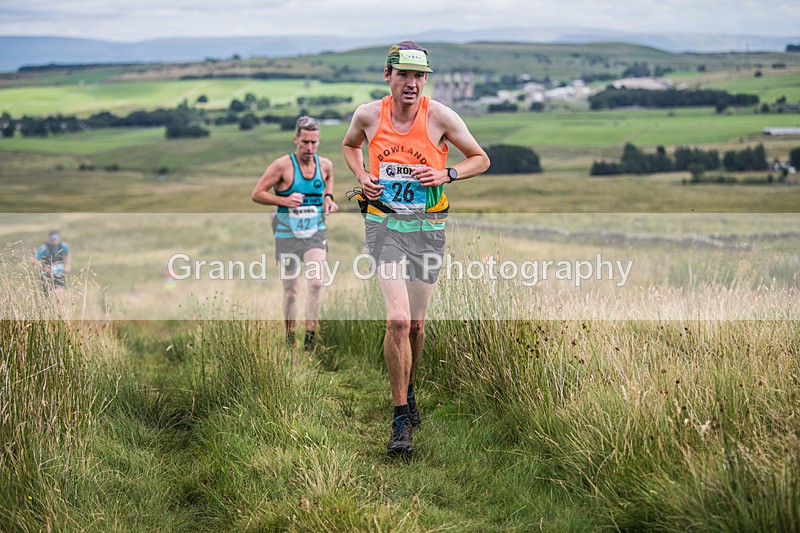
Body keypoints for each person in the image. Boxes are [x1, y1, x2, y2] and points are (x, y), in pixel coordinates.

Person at [342, 41, 490, 456]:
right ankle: (400, 418)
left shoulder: (441, 116)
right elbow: (351, 146)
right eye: (403, 74)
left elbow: (481, 159)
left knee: (419, 326)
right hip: (384, 225)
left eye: (419, 75)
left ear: (426, 78)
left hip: (428, 227)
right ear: (386, 75)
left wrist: (447, 173)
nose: (411, 83)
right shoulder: (368, 115)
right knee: (398, 321)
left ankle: (408, 389)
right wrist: (363, 174)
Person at [252, 116, 338, 351]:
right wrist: (284, 200)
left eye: (314, 142)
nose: (309, 148)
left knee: (317, 283)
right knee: (291, 293)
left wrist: (328, 199)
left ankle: (310, 336)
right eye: (304, 142)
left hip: (315, 233)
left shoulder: (325, 165)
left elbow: (329, 179)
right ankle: (290, 337)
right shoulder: (282, 166)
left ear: (318, 141)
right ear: (295, 140)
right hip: (286, 235)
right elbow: (257, 193)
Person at [34, 230, 71, 297]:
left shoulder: (63, 246)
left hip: (59, 274)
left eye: (56, 238)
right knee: (49, 295)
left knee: (60, 293)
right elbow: (34, 260)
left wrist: (67, 265)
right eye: (53, 239)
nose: (55, 240)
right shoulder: (44, 248)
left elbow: (68, 252)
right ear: (50, 239)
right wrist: (44, 268)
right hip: (47, 275)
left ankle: (60, 306)